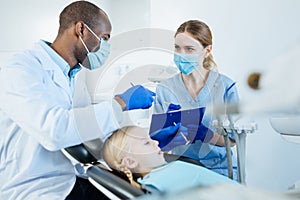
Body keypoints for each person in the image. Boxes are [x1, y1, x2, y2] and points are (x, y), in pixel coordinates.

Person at [0, 1, 155, 199]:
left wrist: (145, 138)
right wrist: (120, 103)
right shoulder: (19, 69)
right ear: (81, 29)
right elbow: (54, 131)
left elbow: (85, 129)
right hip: (31, 186)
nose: (104, 48)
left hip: (67, 178)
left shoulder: (74, 75)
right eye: (104, 38)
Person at [152, 20, 239, 179]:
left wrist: (206, 135)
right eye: (177, 48)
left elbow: (234, 141)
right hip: (180, 169)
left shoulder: (225, 86)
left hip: (220, 170)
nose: (181, 54)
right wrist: (165, 136)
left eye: (189, 49)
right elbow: (158, 142)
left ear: (207, 50)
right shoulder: (165, 89)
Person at [102, 126, 238, 194]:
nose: (155, 141)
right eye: (146, 143)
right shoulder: (161, 179)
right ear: (130, 162)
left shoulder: (162, 174)